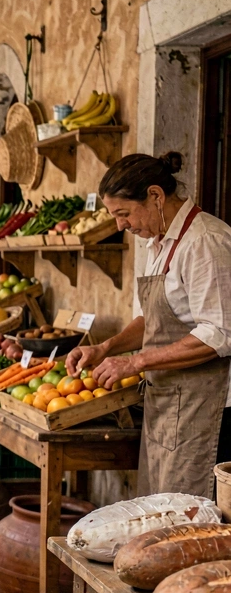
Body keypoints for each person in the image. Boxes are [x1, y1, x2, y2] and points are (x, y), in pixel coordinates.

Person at [67, 152, 231, 499]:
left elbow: (219, 333)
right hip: (170, 402)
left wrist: (135, 362)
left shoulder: (206, 242)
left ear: (155, 196)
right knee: (163, 507)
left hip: (209, 409)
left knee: (193, 514)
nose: (120, 226)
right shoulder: (157, 244)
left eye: (124, 213)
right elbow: (152, 319)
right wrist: (106, 348)